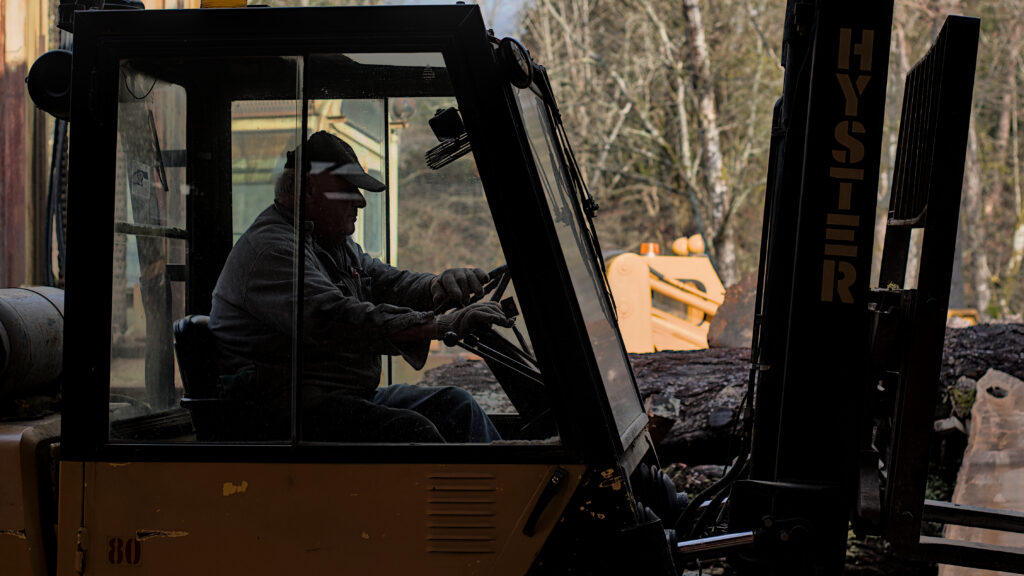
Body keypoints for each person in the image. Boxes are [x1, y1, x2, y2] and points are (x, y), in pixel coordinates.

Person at [208, 130, 512, 443]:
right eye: (348, 188)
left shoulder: (335, 246)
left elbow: (389, 282)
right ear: (308, 189)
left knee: (457, 407)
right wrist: (439, 326)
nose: (361, 201)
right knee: (414, 433)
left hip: (342, 398)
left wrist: (439, 285)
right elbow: (339, 318)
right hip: (285, 415)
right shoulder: (271, 250)